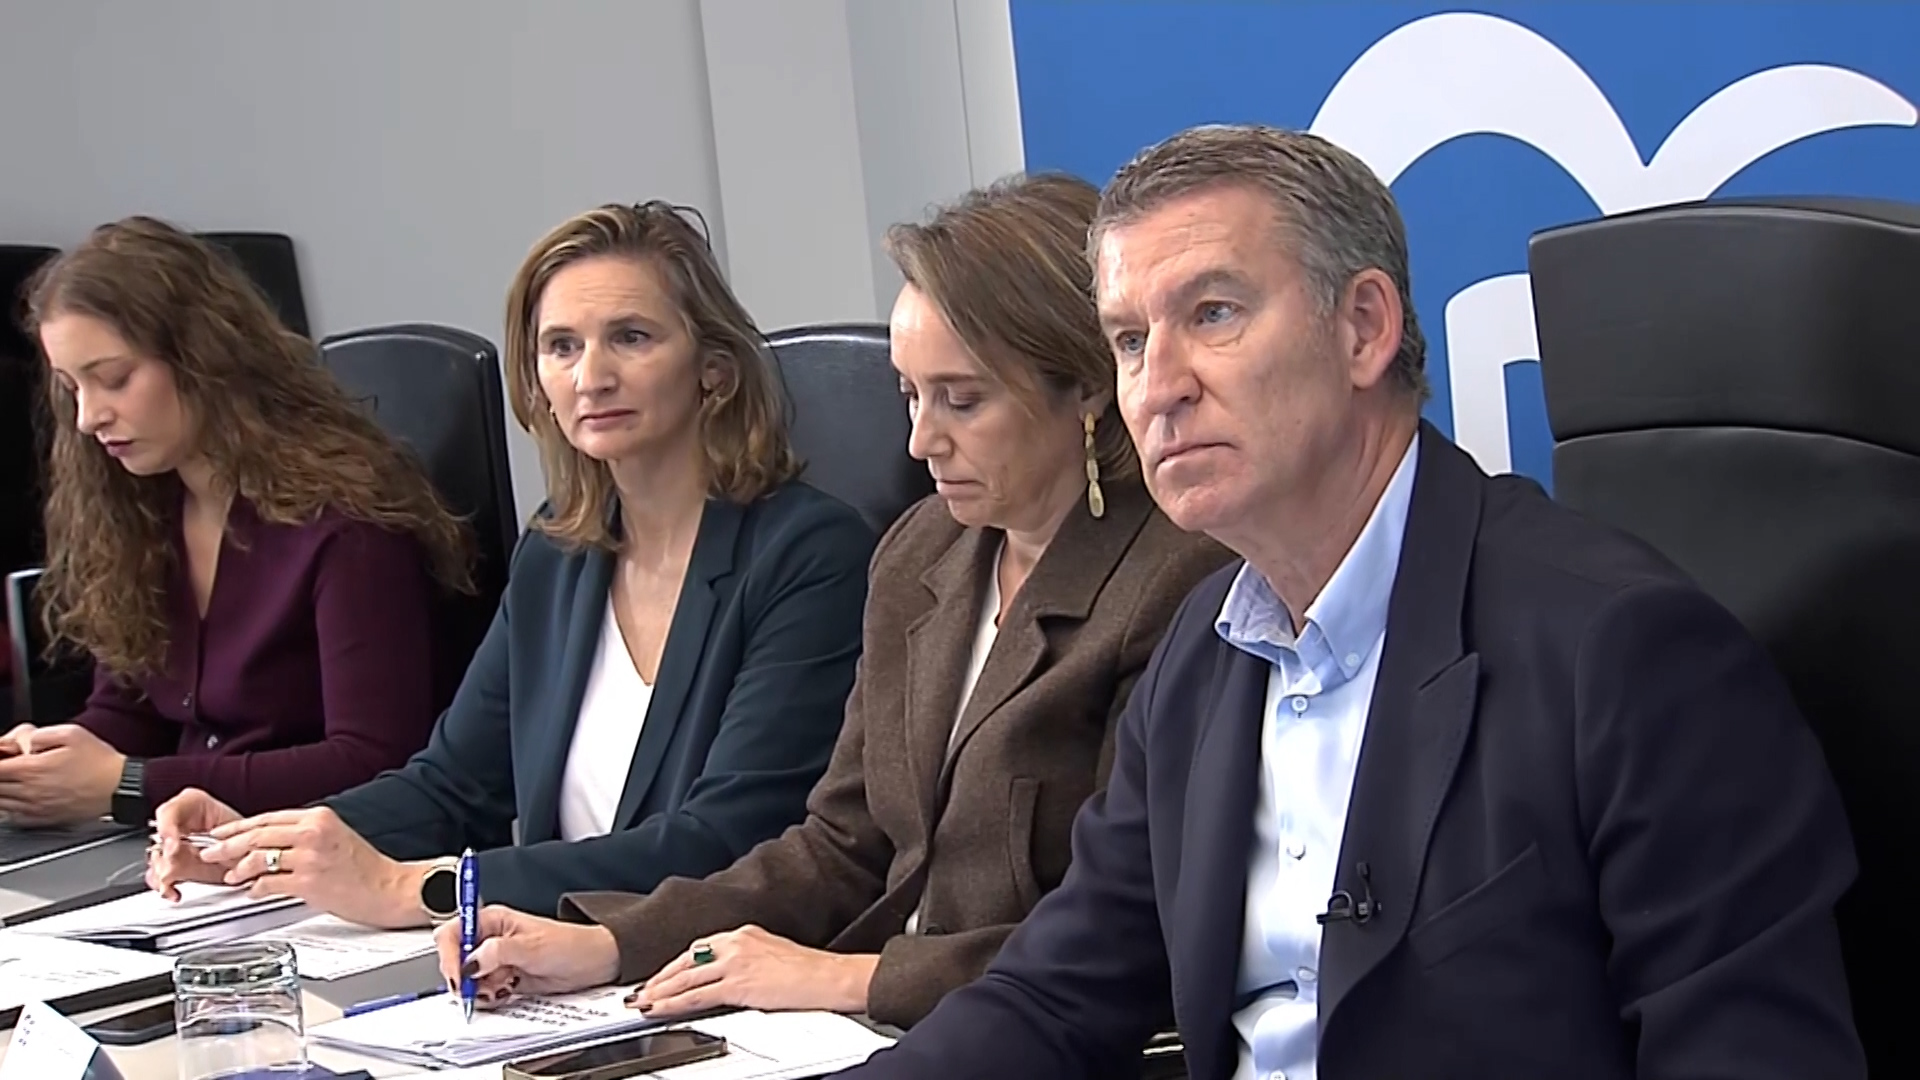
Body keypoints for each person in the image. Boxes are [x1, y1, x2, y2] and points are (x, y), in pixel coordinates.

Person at [824, 126, 1867, 1079]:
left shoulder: (1622, 651)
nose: (1158, 385)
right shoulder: (1202, 657)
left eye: (1213, 314)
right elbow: (1054, 995)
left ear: (1364, 327)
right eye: (1131, 340)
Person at [430, 174, 1233, 1027]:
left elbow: (1124, 932)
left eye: (962, 400)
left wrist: (846, 979)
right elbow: (840, 846)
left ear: (1087, 387)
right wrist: (611, 942)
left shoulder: (1180, 576)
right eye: (910, 395)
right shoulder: (922, 550)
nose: (920, 441)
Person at [148, 202, 875, 928]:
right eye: (561, 347)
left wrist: (432, 888)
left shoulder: (809, 554)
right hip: (547, 961)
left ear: (713, 368)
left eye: (631, 337)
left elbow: (724, 841)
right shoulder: (559, 551)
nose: (591, 376)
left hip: (707, 961)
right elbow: (455, 785)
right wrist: (260, 842)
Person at [0, 217, 471, 827]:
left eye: (113, 379)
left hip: (319, 852)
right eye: (71, 388)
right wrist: (48, 762)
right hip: (192, 847)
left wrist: (129, 784)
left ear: (203, 358)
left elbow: (373, 760)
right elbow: (130, 711)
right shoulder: (140, 509)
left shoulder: (348, 523)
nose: (89, 417)